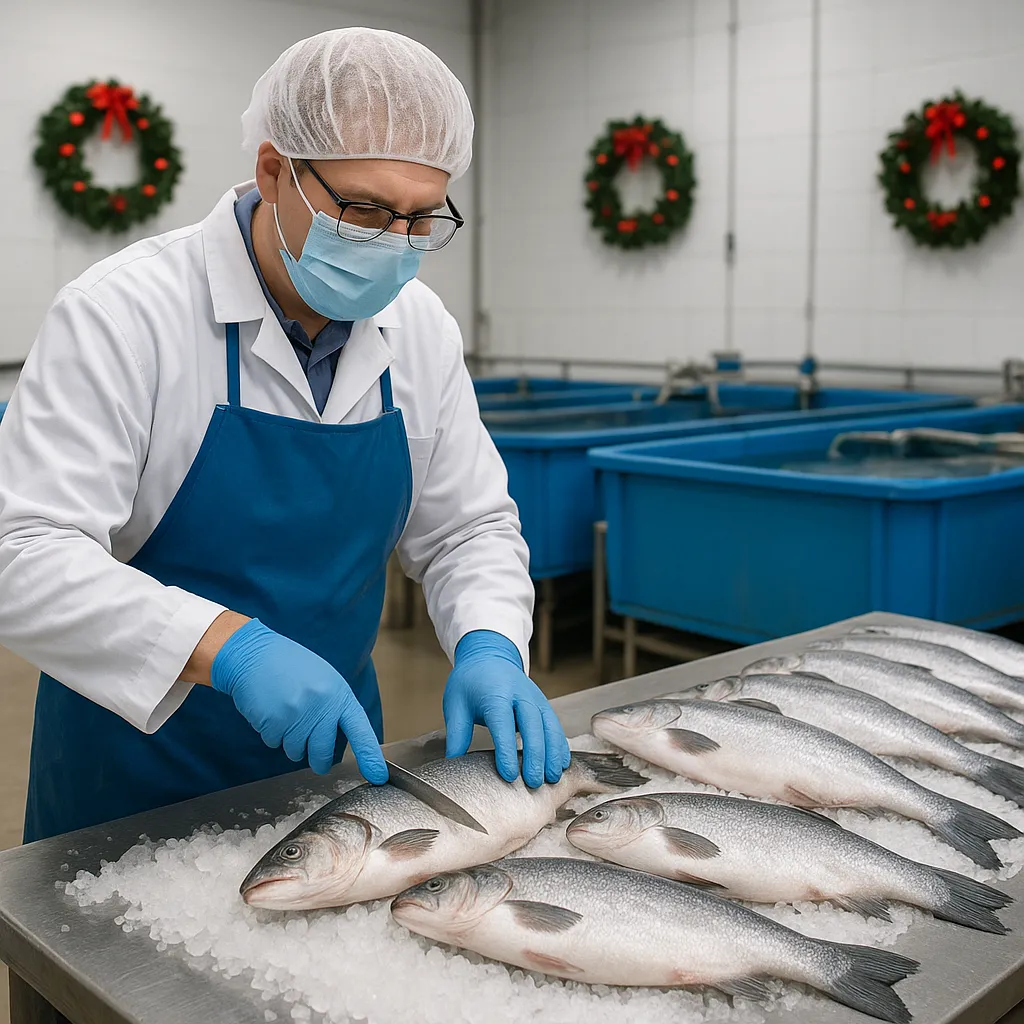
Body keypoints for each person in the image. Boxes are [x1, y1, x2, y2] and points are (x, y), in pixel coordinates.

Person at [0, 27, 570, 844]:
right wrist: (232, 651)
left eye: (420, 219)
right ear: (275, 172)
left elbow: (467, 527)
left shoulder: (420, 330)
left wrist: (489, 644)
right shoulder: (125, 313)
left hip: (334, 771)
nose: (394, 246)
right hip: (130, 777)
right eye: (365, 209)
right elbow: (24, 553)